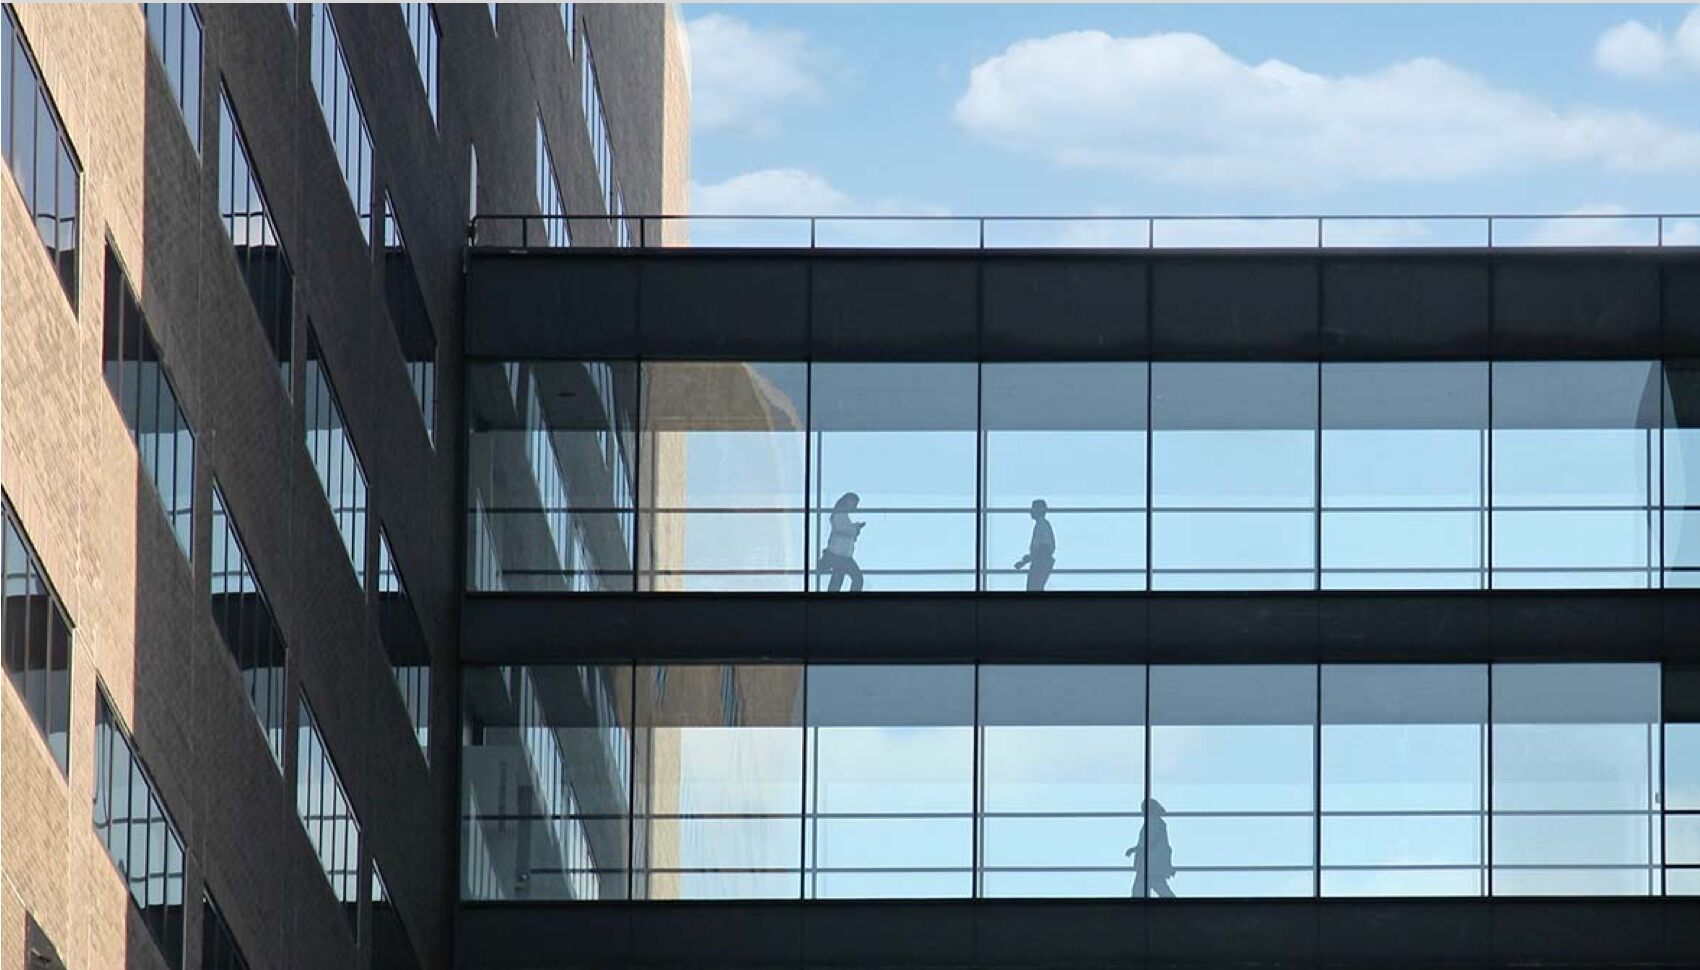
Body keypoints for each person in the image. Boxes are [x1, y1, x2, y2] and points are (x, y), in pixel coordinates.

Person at [1125, 798, 1175, 898]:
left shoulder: (1156, 823)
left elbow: (1150, 843)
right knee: (1159, 889)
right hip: (1151, 865)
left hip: (1151, 865)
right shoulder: (1156, 823)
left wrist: (1136, 849)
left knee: (1140, 891)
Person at [819, 492, 865, 592]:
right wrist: (855, 528)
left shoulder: (841, 515)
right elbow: (841, 528)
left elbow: (844, 529)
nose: (854, 506)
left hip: (842, 556)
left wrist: (855, 528)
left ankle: (832, 603)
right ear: (847, 501)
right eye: (853, 503)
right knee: (856, 579)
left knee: (838, 580)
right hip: (840, 555)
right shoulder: (839, 514)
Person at [1012, 498, 1056, 592]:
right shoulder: (1043, 525)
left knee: (1033, 589)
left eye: (1033, 509)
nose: (1030, 511)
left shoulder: (1041, 526)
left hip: (1041, 562)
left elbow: (1041, 548)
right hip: (1041, 561)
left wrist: (1028, 559)